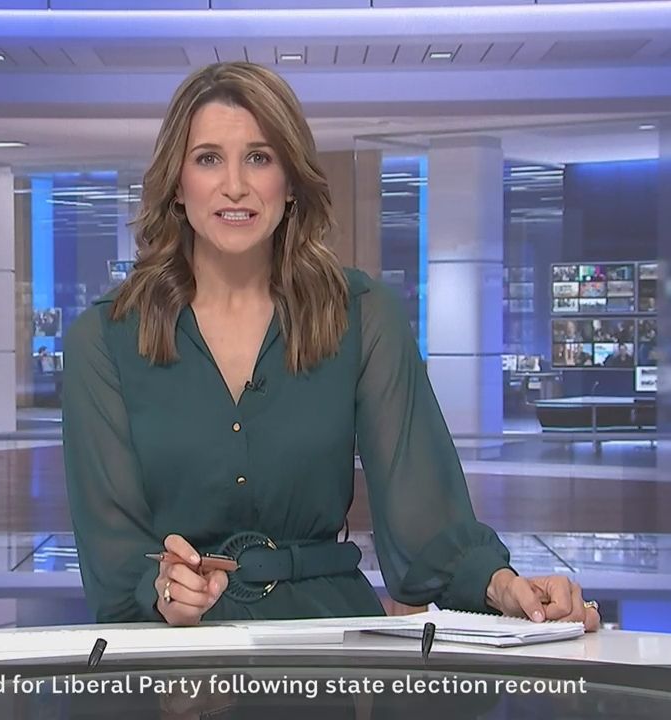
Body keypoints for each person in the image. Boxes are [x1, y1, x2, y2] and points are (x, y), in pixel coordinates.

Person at [63, 61, 600, 631]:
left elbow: (427, 520)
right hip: (174, 654)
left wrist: (505, 587)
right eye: (208, 159)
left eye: (260, 158)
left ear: (290, 181)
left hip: (327, 634)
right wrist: (163, 590)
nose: (235, 185)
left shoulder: (361, 314)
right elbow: (113, 557)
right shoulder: (105, 338)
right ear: (177, 183)